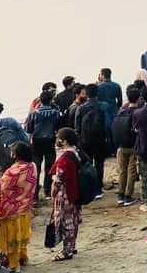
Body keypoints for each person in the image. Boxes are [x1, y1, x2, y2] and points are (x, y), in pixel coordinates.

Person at [0, 140, 36, 273]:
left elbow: (1, 189)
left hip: (11, 210)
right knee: (22, 234)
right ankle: (24, 257)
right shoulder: (32, 166)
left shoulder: (11, 172)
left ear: (15, 155)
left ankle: (14, 264)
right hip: (25, 206)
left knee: (11, 238)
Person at [48, 127, 82, 261]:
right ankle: (72, 245)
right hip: (74, 192)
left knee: (65, 222)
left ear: (64, 141)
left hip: (64, 194)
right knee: (73, 221)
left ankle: (67, 251)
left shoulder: (64, 158)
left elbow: (58, 179)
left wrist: (52, 193)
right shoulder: (76, 153)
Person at [25, 87, 61, 199]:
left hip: (37, 142)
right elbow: (58, 127)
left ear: (40, 100)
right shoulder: (55, 113)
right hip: (50, 141)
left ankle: (35, 194)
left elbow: (29, 130)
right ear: (51, 100)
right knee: (49, 167)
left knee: (36, 167)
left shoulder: (34, 114)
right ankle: (47, 191)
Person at [75, 82, 107, 199]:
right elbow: (107, 126)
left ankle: (89, 189)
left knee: (87, 165)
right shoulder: (103, 106)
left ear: (86, 94)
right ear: (97, 93)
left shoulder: (81, 108)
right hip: (99, 140)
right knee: (99, 164)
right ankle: (98, 190)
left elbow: (77, 127)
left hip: (85, 141)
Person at [112, 85, 142, 206]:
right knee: (132, 171)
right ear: (139, 98)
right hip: (133, 146)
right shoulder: (138, 113)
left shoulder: (121, 112)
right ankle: (128, 196)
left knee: (122, 171)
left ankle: (120, 194)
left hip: (121, 146)